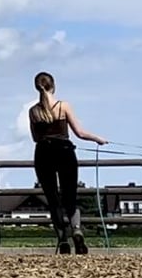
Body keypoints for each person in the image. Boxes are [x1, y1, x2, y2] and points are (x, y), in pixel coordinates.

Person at [28, 71, 107, 255]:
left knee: (53, 199)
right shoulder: (63, 106)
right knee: (70, 196)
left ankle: (63, 239)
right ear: (53, 86)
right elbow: (79, 132)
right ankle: (77, 230)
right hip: (64, 152)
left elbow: (35, 138)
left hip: (43, 154)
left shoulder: (33, 111)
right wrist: (98, 139)